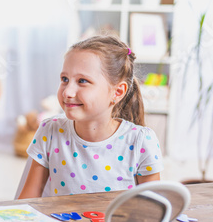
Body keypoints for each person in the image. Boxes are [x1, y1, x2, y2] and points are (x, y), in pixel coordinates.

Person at [18, 35, 162, 199]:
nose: (67, 92)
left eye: (82, 81)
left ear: (117, 92)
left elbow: (152, 212)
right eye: (65, 79)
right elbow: (26, 203)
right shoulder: (50, 131)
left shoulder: (141, 141)